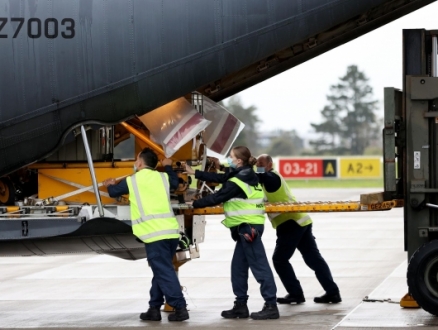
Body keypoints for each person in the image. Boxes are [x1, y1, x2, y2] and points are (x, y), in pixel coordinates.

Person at [185, 146, 279, 320]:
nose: (228, 159)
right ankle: (240, 306)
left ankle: (271, 305)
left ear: (239, 161)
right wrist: (194, 173)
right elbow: (221, 177)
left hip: (248, 227)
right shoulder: (245, 174)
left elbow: (218, 196)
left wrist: (195, 204)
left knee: (259, 266)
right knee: (238, 267)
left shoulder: (239, 180)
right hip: (247, 226)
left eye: (231, 157)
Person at [103, 148, 189, 322]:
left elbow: (113, 192)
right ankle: (154, 309)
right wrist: (168, 166)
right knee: (161, 270)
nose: (135, 163)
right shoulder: (163, 177)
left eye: (136, 160)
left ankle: (180, 308)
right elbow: (174, 182)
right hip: (171, 232)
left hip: (153, 234)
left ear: (140, 163)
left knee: (164, 271)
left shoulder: (133, 180)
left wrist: (109, 183)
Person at [256, 154, 341, 304]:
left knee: (280, 260)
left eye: (262, 164)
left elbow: (258, 177)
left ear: (270, 164)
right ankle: (332, 292)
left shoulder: (271, 177)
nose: (259, 167)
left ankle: (296, 293)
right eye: (257, 164)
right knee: (314, 259)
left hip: (291, 223)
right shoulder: (266, 179)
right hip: (300, 221)